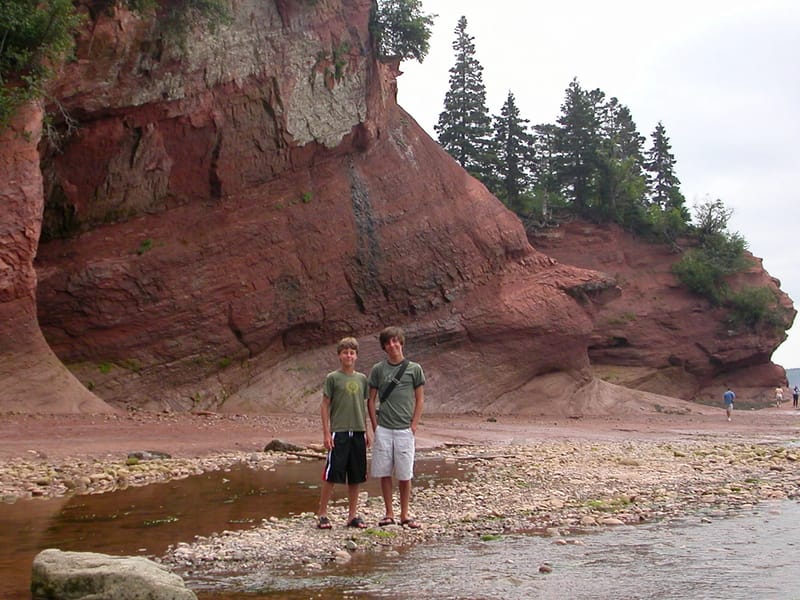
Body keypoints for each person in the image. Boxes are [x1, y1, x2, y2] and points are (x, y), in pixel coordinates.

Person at [367, 326, 425, 529]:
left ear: (401, 342)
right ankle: (389, 513)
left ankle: (404, 513)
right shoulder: (378, 369)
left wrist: (414, 425)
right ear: (384, 347)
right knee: (384, 472)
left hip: (404, 429)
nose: (392, 345)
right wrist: (375, 426)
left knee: (404, 473)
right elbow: (371, 400)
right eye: (388, 342)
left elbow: (420, 399)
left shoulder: (414, 369)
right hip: (384, 428)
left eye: (395, 341)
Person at [316, 337, 371, 529]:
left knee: (356, 475)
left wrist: (366, 431)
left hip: (358, 431)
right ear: (339, 355)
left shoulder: (362, 379)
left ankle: (352, 516)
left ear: (356, 356)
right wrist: (326, 433)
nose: (349, 356)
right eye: (345, 352)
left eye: (352, 353)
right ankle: (322, 514)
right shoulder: (333, 378)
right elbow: (325, 405)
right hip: (338, 432)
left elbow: (362, 406)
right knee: (331, 474)